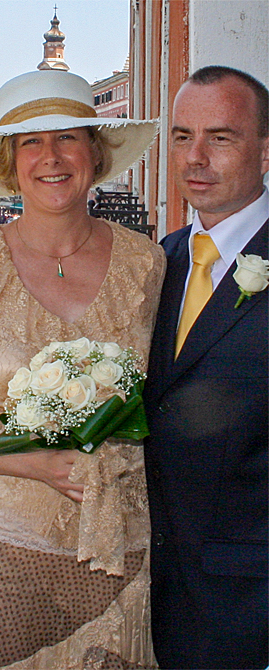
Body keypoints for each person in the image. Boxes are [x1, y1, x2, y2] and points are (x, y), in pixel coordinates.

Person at [0, 68, 164, 669]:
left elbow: (169, 397)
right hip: (0, 561)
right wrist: (38, 460)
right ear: (10, 161)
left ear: (95, 151)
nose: (51, 157)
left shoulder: (149, 265)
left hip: (124, 553)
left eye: (68, 137)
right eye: (32, 141)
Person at [143, 66, 268, 670]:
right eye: (182, 135)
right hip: (154, 594)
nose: (196, 157)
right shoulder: (155, 265)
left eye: (221, 137)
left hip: (252, 606)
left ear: (266, 151)